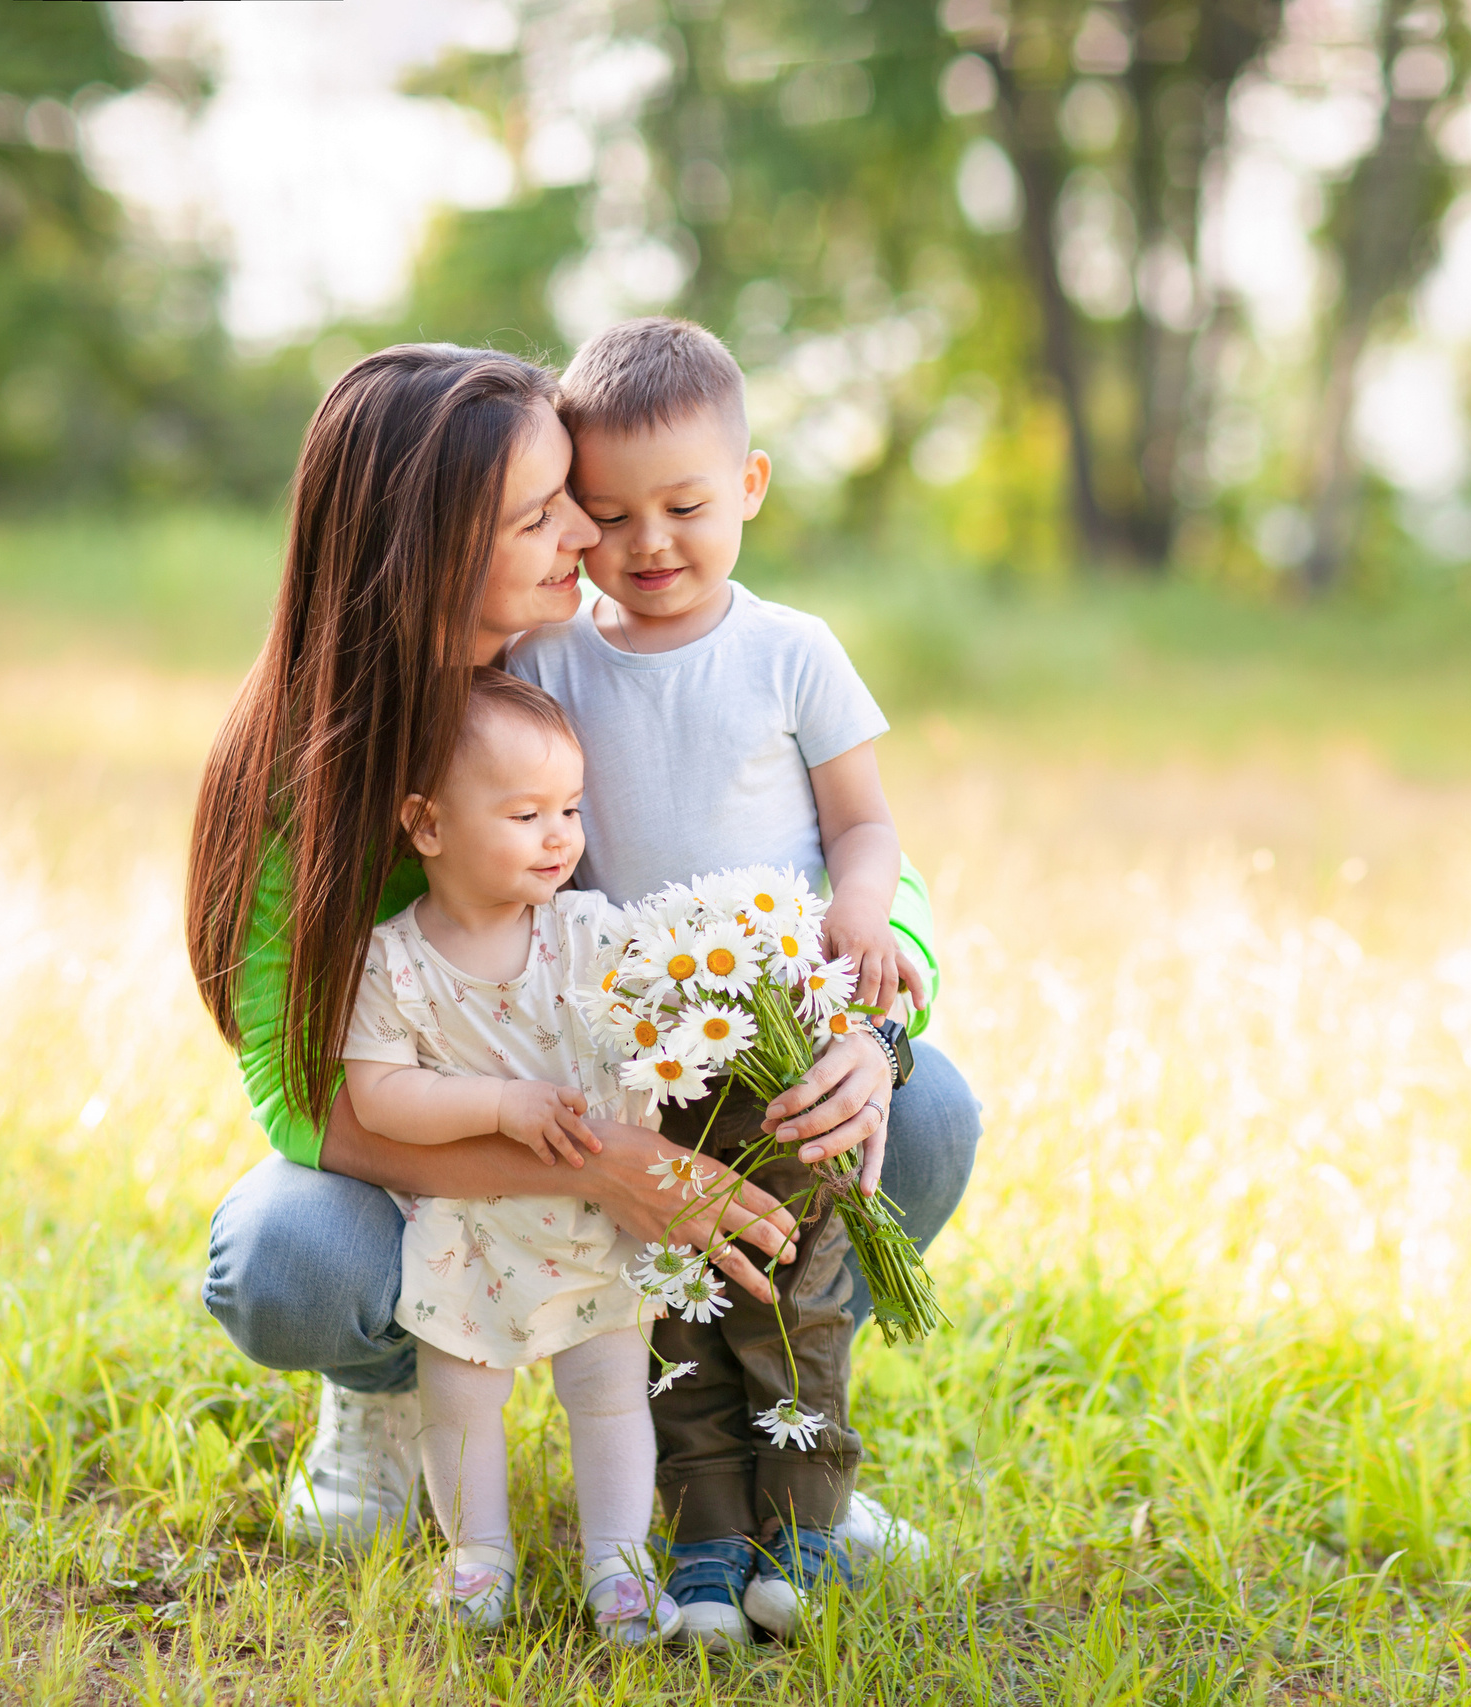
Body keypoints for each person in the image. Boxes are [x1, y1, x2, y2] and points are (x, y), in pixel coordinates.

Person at [186, 345, 977, 1575]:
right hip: (448, 1137)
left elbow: (825, 847)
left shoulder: (594, 667)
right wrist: (614, 1167)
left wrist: (871, 1028)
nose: (591, 533)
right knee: (292, 1256)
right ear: (436, 542)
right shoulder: (301, 763)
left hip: (648, 1083)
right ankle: (389, 1389)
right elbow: (302, 1098)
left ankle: (777, 1437)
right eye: (551, 510)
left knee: (923, 1116)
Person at [506, 316, 973, 1646]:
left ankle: (807, 1520)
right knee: (672, 1296)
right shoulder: (554, 664)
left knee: (800, 1282)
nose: (649, 540)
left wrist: (865, 920)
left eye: (687, 505)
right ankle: (707, 1529)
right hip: (633, 1050)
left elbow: (865, 823)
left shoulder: (791, 650)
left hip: (779, 1031)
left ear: (751, 487)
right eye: (609, 512)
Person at [336, 670, 675, 1639]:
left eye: (569, 807)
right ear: (428, 826)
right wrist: (499, 1105)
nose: (560, 834)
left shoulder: (592, 932)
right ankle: (478, 1556)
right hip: (467, 1223)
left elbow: (659, 1029)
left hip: (589, 1222)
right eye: (525, 813)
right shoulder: (391, 960)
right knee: (460, 1397)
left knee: (609, 1394)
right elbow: (380, 1097)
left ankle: (618, 1565)